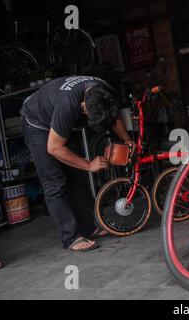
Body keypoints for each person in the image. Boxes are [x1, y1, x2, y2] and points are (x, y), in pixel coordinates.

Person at [20, 76, 135, 252]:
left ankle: (88, 228)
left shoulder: (105, 92)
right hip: (38, 123)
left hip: (62, 119)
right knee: (55, 182)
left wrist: (127, 140)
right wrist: (89, 164)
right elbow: (54, 147)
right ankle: (70, 237)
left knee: (78, 176)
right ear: (83, 107)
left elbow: (113, 116)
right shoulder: (67, 105)